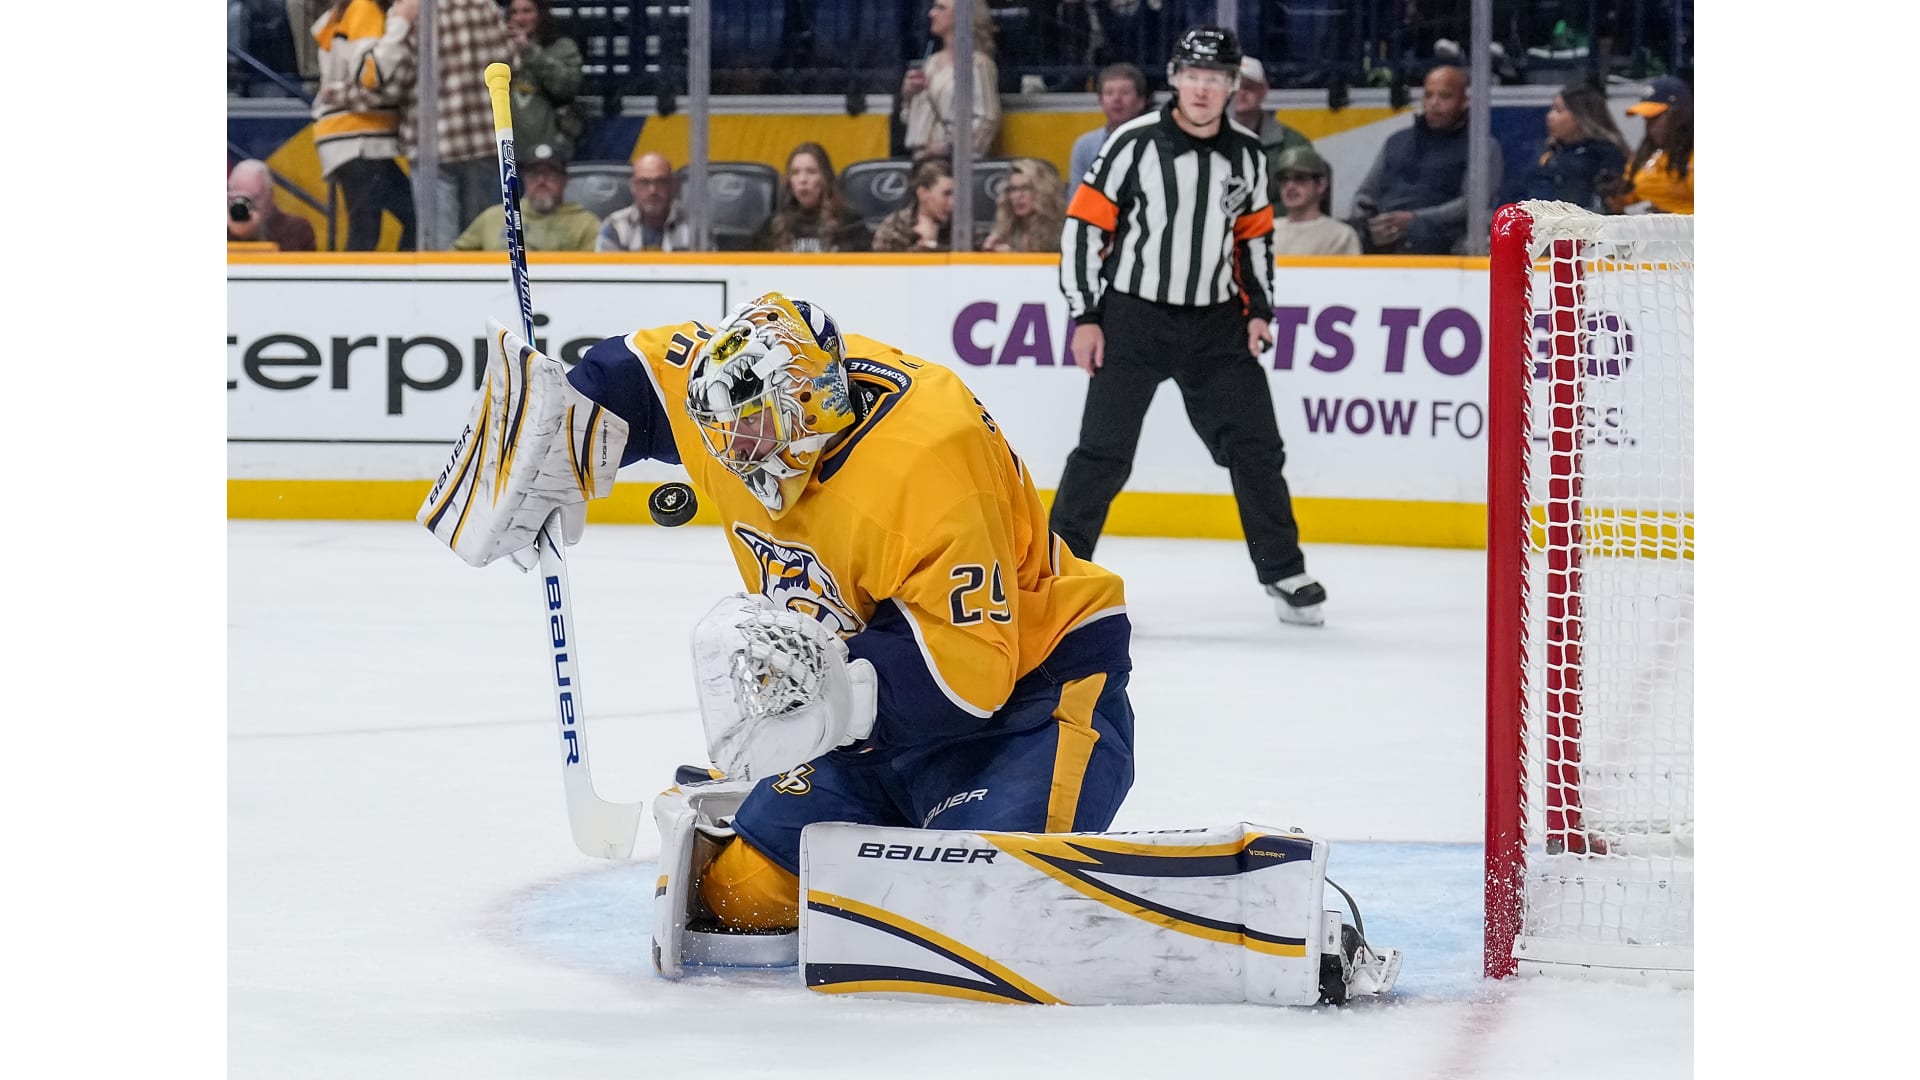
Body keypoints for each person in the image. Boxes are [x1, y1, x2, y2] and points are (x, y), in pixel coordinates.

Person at [478, 292, 1138, 937]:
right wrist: (558, 433)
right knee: (736, 894)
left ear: (814, 402)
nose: (735, 450)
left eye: (754, 429)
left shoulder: (930, 458)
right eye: (723, 431)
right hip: (870, 716)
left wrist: (824, 708)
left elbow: (970, 674)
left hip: (1029, 699)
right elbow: (642, 373)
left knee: (982, 900)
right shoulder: (736, 403)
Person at [1055, 25, 1326, 627]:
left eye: (1215, 78)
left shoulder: (1248, 153)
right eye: (1193, 76)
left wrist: (1259, 311)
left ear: (1232, 86)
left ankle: (1283, 570)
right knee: (1103, 452)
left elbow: (1254, 240)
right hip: (1133, 317)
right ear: (1175, 78)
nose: (1203, 89)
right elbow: (1083, 229)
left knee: (1257, 448)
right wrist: (1086, 314)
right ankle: (1057, 576)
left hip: (1217, 324)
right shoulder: (1132, 143)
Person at [1345, 64, 1503, 255]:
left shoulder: (1480, 146)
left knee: (1419, 233)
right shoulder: (1397, 140)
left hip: (1442, 233)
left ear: (1464, 101)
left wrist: (1414, 219)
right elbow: (1366, 191)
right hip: (1388, 226)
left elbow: (1471, 204)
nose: (1434, 103)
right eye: (1428, 95)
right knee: (1345, 233)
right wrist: (1365, 215)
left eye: (1445, 96)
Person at [398, 0, 512, 248]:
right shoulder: (486, 6)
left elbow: (395, 76)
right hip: (481, 137)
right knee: (479, 242)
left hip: (431, 144)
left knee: (440, 249)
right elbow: (511, 62)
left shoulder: (413, 9)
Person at [309, 0, 417, 251]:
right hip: (357, 138)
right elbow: (370, 74)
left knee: (394, 222)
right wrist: (400, 23)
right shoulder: (363, 8)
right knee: (367, 229)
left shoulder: (347, 10)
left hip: (354, 138)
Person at [897, 0, 1001, 161]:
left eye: (941, 8)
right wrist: (909, 95)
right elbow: (909, 118)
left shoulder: (978, 64)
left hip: (954, 162)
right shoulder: (931, 63)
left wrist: (948, 148)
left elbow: (987, 120)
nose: (931, 13)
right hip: (920, 160)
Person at [451, 141, 599, 251]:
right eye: (534, 174)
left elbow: (596, 275)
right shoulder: (492, 218)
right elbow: (453, 263)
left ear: (564, 180)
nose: (541, 181)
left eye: (550, 174)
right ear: (524, 179)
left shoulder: (586, 225)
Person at [1515, 80, 1628, 214]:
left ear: (1580, 115)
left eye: (1558, 110)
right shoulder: (1548, 153)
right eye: (1551, 110)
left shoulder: (1606, 156)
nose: (1549, 117)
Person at [504, 0, 585, 163]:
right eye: (514, 12)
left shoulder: (562, 48)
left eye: (527, 11)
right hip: (506, 154)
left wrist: (529, 50)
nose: (519, 18)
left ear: (541, 15)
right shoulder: (500, 51)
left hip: (550, 154)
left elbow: (568, 87)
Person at [1231, 55, 1316, 206]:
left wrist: (1253, 217)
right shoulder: (1206, 139)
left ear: (1263, 91)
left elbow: (1302, 201)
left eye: (1248, 87)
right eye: (1234, 86)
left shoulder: (1292, 143)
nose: (1240, 93)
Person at [755, 142, 870, 253]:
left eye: (811, 172)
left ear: (825, 178)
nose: (802, 179)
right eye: (795, 173)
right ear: (789, 181)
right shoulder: (773, 225)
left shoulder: (850, 224)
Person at [1606, 75, 1693, 215]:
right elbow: (1631, 199)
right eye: (1646, 118)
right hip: (1644, 226)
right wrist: (1615, 197)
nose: (1649, 125)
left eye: (1655, 117)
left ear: (1679, 115)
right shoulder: (1645, 155)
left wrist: (1667, 215)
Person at [1066, 62, 1149, 204]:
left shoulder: (1156, 141)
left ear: (1141, 101)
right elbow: (1076, 199)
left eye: (1125, 92)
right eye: (1109, 93)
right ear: (1101, 101)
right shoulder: (1085, 145)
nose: (1117, 99)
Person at [1270, 146, 1361, 256]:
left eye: (1300, 178)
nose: (1290, 186)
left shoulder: (1340, 235)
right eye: (1283, 179)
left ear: (1321, 185)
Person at [595, 152, 693, 252]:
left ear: (673, 185)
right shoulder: (615, 227)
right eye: (644, 182)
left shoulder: (694, 225)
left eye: (660, 182)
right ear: (633, 187)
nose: (652, 190)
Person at [227, 159, 319, 251]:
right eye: (238, 198)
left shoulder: (296, 229)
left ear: (270, 194)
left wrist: (254, 232)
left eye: (255, 197)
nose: (245, 205)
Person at [870, 158, 955, 252]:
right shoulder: (895, 227)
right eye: (946, 194)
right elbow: (885, 260)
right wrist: (926, 246)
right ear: (922, 193)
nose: (952, 202)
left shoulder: (960, 227)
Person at [983, 158, 1066, 253]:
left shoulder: (1061, 230)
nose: (1017, 196)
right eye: (1013, 189)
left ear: (1043, 191)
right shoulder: (1007, 228)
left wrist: (1014, 257)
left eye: (1025, 188)